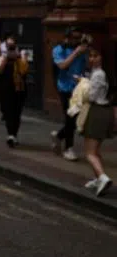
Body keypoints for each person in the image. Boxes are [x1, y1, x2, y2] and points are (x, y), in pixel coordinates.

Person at [51, 27, 90, 160]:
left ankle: (59, 135)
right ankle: (69, 148)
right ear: (66, 38)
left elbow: (88, 65)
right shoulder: (58, 50)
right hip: (65, 88)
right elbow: (62, 65)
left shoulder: (82, 50)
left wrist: (86, 49)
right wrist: (76, 53)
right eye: (74, 37)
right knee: (70, 117)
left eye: (78, 38)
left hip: (79, 88)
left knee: (76, 120)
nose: (76, 41)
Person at [79, 48, 112, 197]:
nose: (92, 59)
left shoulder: (98, 74)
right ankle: (97, 178)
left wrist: (82, 85)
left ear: (101, 58)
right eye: (90, 56)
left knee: (90, 153)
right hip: (102, 111)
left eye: (95, 56)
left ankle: (103, 178)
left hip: (97, 112)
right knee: (96, 151)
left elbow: (91, 96)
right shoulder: (98, 73)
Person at [0, 36, 29, 147]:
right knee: (9, 113)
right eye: (9, 47)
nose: (11, 49)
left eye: (13, 47)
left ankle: (14, 134)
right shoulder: (2, 57)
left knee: (17, 113)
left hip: (19, 89)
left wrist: (21, 58)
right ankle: (10, 135)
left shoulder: (20, 58)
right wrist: (5, 58)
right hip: (7, 89)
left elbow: (24, 71)